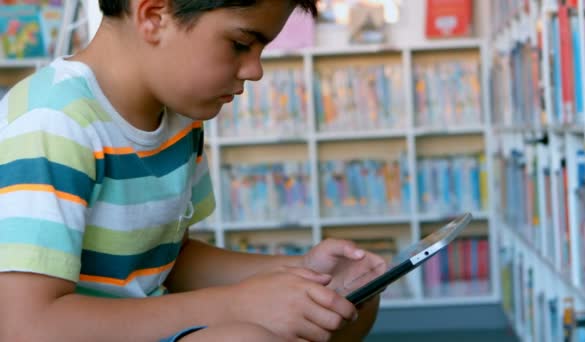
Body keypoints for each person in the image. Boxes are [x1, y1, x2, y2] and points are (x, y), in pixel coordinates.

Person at [0, 0, 388, 341]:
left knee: (341, 305)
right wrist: (234, 306)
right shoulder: (50, 120)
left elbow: (171, 260)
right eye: (240, 44)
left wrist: (301, 273)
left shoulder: (180, 120)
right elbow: (25, 328)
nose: (255, 71)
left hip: (152, 325)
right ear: (154, 16)